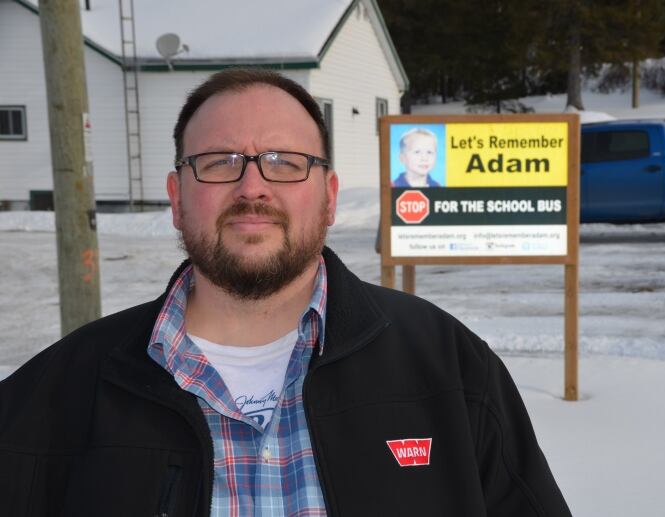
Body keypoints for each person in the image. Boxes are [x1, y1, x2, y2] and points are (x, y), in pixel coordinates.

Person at [0, 69, 571, 517]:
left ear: (328, 196)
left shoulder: (449, 366)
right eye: (218, 162)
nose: (253, 186)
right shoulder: (51, 398)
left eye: (285, 163)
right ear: (176, 197)